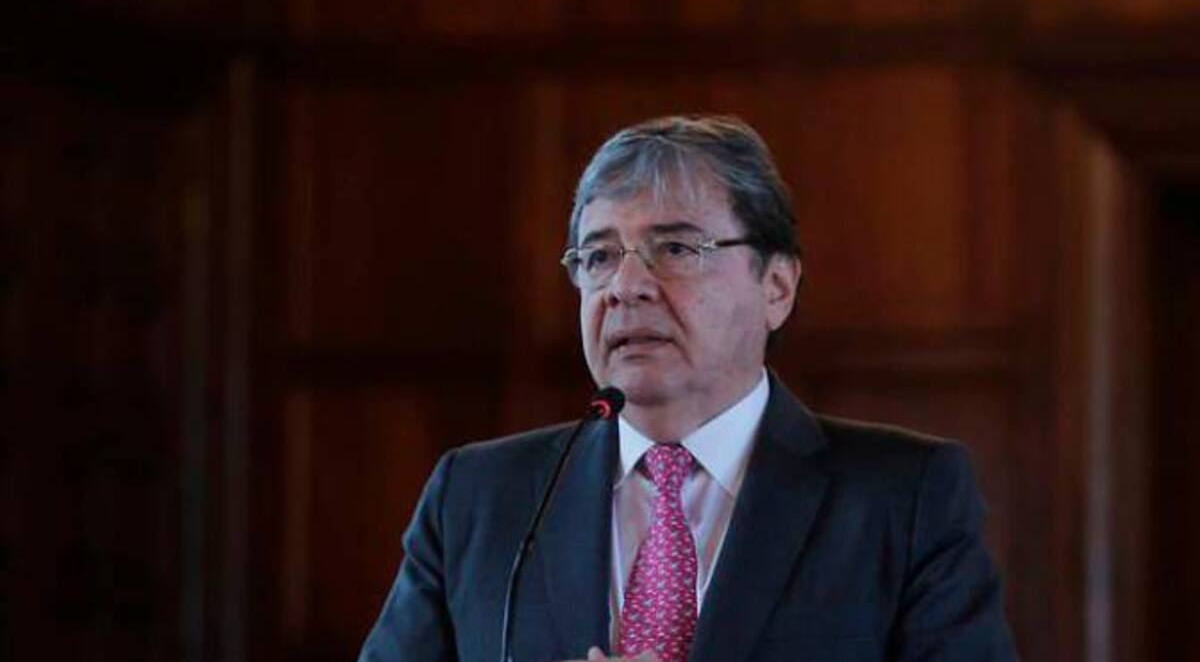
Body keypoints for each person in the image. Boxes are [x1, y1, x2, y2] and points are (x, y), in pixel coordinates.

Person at [358, 115, 1019, 662]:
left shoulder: (904, 497)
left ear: (776, 287)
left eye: (675, 249)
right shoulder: (479, 498)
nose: (625, 287)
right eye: (599, 256)